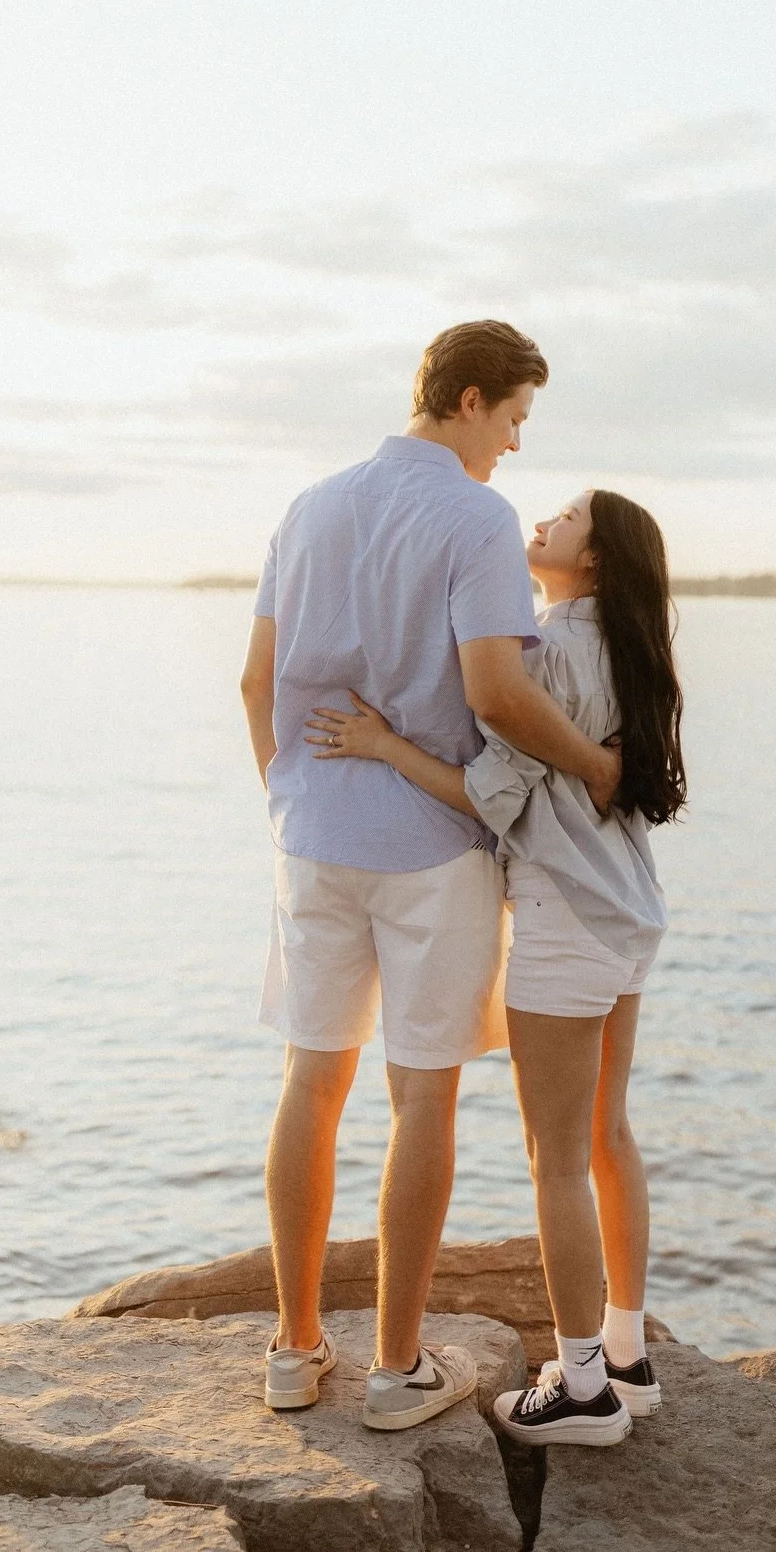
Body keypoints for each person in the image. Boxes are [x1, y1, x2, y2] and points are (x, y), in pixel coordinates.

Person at [239, 321, 623, 1432]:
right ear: (466, 401)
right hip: (435, 849)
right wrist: (598, 764)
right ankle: (395, 1369)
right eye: (512, 418)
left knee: (310, 1083)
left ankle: (293, 1349)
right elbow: (497, 693)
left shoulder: (309, 507)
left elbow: (257, 682)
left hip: (312, 838)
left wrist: (289, 801)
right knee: (422, 1099)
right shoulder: (474, 516)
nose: (513, 445)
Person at [309, 487, 684, 1447]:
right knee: (608, 1134)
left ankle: (584, 1389)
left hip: (565, 915)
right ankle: (628, 1355)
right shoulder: (630, 652)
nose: (543, 523)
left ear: (594, 559)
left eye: (566, 519)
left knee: (555, 1159)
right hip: (629, 909)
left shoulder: (543, 655)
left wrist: (382, 744)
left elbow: (486, 796)